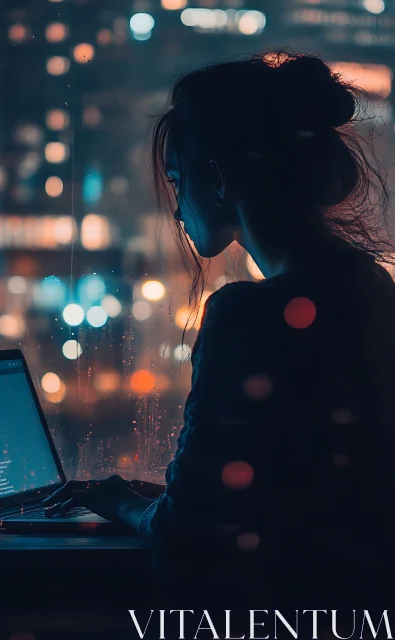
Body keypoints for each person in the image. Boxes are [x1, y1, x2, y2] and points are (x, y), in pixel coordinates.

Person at [43, 52, 395, 611]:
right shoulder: (371, 285)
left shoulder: (248, 313)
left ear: (220, 177)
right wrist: (171, 499)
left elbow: (188, 541)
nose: (178, 209)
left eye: (179, 182)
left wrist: (124, 505)